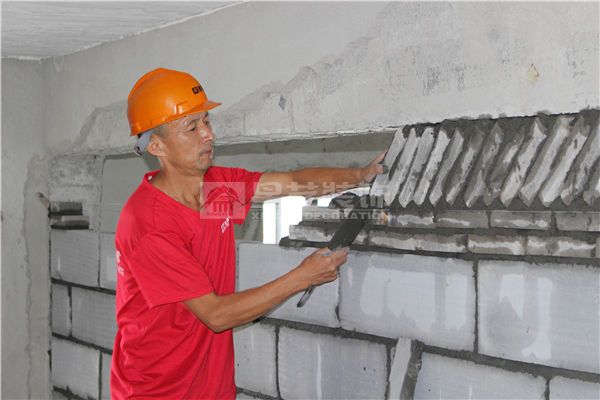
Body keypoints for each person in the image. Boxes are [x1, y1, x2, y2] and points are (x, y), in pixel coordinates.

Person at [111, 67, 386, 399]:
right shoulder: (151, 223)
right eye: (192, 127)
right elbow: (216, 315)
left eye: (207, 121)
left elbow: (294, 183)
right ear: (156, 145)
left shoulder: (214, 188)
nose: (208, 134)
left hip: (212, 389)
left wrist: (361, 175)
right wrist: (303, 277)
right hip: (158, 392)